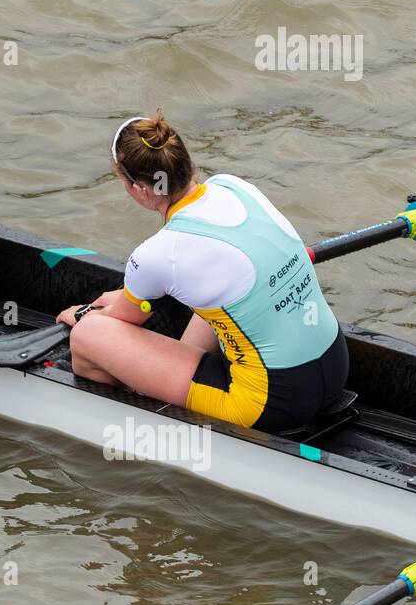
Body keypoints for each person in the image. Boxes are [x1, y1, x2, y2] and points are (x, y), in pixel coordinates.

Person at [56, 112, 348, 432]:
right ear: (188, 163)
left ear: (139, 189)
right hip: (335, 364)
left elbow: (120, 321)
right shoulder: (234, 187)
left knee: (87, 337)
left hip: (270, 404)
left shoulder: (157, 253)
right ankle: (180, 381)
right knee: (222, 300)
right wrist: (129, 297)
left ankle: (140, 416)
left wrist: (81, 314)